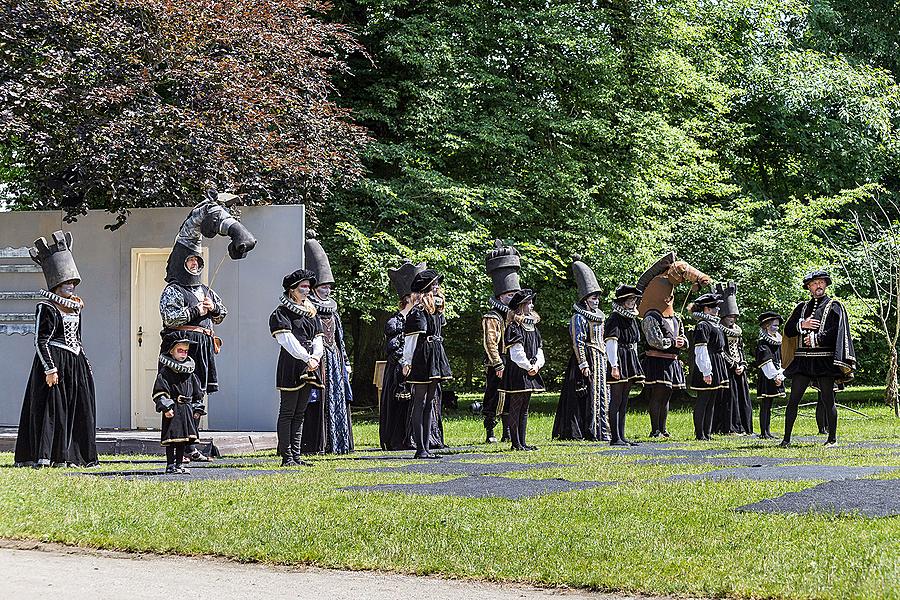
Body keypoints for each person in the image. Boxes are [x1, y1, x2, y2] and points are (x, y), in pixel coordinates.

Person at [15, 231, 97, 468]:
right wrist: (50, 368)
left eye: (73, 282)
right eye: (66, 282)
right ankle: (50, 455)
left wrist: (86, 365)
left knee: (81, 407)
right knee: (55, 410)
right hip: (56, 361)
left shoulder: (77, 308)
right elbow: (41, 341)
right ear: (56, 283)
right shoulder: (46, 307)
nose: (70, 286)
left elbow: (78, 339)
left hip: (75, 362)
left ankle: (75, 456)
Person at [637, 252, 710, 438]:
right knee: (658, 394)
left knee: (667, 393)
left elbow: (684, 338)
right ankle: (655, 429)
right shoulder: (651, 316)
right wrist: (671, 342)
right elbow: (654, 340)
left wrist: (682, 342)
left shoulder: (675, 318)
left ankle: (664, 428)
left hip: (672, 360)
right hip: (657, 360)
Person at [780, 270, 856, 447]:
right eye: (814, 283)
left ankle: (832, 439)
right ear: (809, 287)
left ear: (826, 284)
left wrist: (817, 338)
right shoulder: (801, 308)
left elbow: (837, 331)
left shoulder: (835, 306)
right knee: (793, 400)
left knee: (828, 399)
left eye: (821, 282)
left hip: (824, 360)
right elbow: (789, 330)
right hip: (803, 361)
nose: (818, 286)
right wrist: (802, 325)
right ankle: (786, 439)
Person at [302, 231, 354, 455]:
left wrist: (345, 361)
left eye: (329, 286)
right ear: (314, 287)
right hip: (317, 360)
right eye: (323, 285)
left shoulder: (332, 308)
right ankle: (317, 444)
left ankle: (337, 443)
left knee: (337, 399)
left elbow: (339, 338)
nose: (327, 289)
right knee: (316, 401)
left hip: (334, 360)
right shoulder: (307, 307)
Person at [269, 269, 324, 466]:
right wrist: (306, 357)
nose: (306, 290)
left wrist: (316, 357)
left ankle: (297, 455)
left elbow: (318, 338)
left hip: (310, 365)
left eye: (308, 287)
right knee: (288, 412)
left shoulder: (311, 313)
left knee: (300, 413)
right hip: (292, 365)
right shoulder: (281, 313)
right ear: (292, 290)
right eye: (303, 286)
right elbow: (287, 341)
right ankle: (287, 456)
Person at [553, 257, 609, 441]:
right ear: (585, 300)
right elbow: (578, 341)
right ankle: (587, 430)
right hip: (587, 360)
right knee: (586, 395)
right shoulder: (579, 318)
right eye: (594, 298)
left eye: (598, 298)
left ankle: (602, 430)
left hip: (600, 359)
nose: (597, 301)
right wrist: (583, 363)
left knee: (602, 394)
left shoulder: (599, 317)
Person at [402, 269, 452, 459]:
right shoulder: (417, 312)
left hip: (435, 355)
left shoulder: (437, 312)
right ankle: (420, 448)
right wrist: (406, 362)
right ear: (425, 289)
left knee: (430, 402)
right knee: (420, 401)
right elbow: (411, 341)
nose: (437, 288)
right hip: (422, 357)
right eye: (433, 285)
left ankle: (427, 446)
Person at [380, 260, 426, 450]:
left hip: (417, 368)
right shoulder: (395, 321)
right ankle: (400, 439)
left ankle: (418, 439)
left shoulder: (420, 317)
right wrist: (404, 363)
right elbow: (393, 348)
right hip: (399, 371)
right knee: (401, 405)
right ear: (409, 297)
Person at [481, 240, 522, 443]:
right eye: (510, 294)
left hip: (513, 361)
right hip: (497, 363)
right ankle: (490, 431)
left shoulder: (516, 315)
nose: (513, 297)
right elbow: (490, 342)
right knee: (493, 397)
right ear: (501, 295)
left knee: (510, 396)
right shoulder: (492, 316)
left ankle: (508, 431)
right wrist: (498, 363)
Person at [499, 289, 545, 450]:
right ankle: (515, 443)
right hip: (519, 371)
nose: (531, 306)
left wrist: (537, 365)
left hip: (531, 369)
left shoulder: (533, 327)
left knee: (525, 408)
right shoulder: (514, 327)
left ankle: (523, 442)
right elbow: (516, 352)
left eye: (532, 303)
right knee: (516, 407)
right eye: (528, 303)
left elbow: (539, 348)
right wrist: (528, 366)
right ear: (520, 306)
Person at [153, 333, 205, 474]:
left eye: (185, 351)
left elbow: (197, 392)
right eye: (179, 350)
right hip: (174, 409)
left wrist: (197, 408)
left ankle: (179, 464)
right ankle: (170, 465)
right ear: (171, 351)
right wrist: (166, 407)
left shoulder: (190, 373)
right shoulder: (165, 372)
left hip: (186, 410)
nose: (183, 354)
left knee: (183, 439)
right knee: (172, 439)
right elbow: (160, 391)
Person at [605, 285, 645, 446]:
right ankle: (615, 437)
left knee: (624, 400)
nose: (633, 302)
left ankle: (622, 435)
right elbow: (611, 343)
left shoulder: (631, 318)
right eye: (630, 299)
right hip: (619, 358)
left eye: (634, 299)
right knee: (616, 399)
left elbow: (634, 342)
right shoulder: (615, 318)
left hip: (629, 357)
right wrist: (614, 365)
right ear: (622, 301)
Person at [690, 293, 730, 440]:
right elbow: (701, 349)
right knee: (703, 400)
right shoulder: (702, 325)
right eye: (714, 307)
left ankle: (707, 432)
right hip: (708, 363)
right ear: (706, 309)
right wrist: (706, 371)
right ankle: (700, 434)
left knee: (712, 400)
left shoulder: (714, 323)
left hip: (716, 362)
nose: (717, 309)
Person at [717, 281, 753, 435]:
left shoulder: (738, 331)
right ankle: (730, 427)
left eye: (734, 316)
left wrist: (743, 364)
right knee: (729, 399)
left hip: (740, 369)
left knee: (743, 398)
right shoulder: (720, 330)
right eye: (729, 316)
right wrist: (733, 365)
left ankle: (745, 427)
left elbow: (740, 348)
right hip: (727, 369)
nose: (732, 319)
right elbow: (721, 350)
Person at [755, 311, 785, 439]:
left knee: (770, 404)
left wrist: (781, 375)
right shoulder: (763, 343)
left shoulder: (778, 341)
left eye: (778, 326)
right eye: (774, 325)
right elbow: (766, 362)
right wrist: (775, 376)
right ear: (767, 326)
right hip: (767, 376)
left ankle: (767, 431)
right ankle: (763, 432)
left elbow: (781, 360)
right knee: (765, 404)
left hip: (777, 374)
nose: (776, 328)